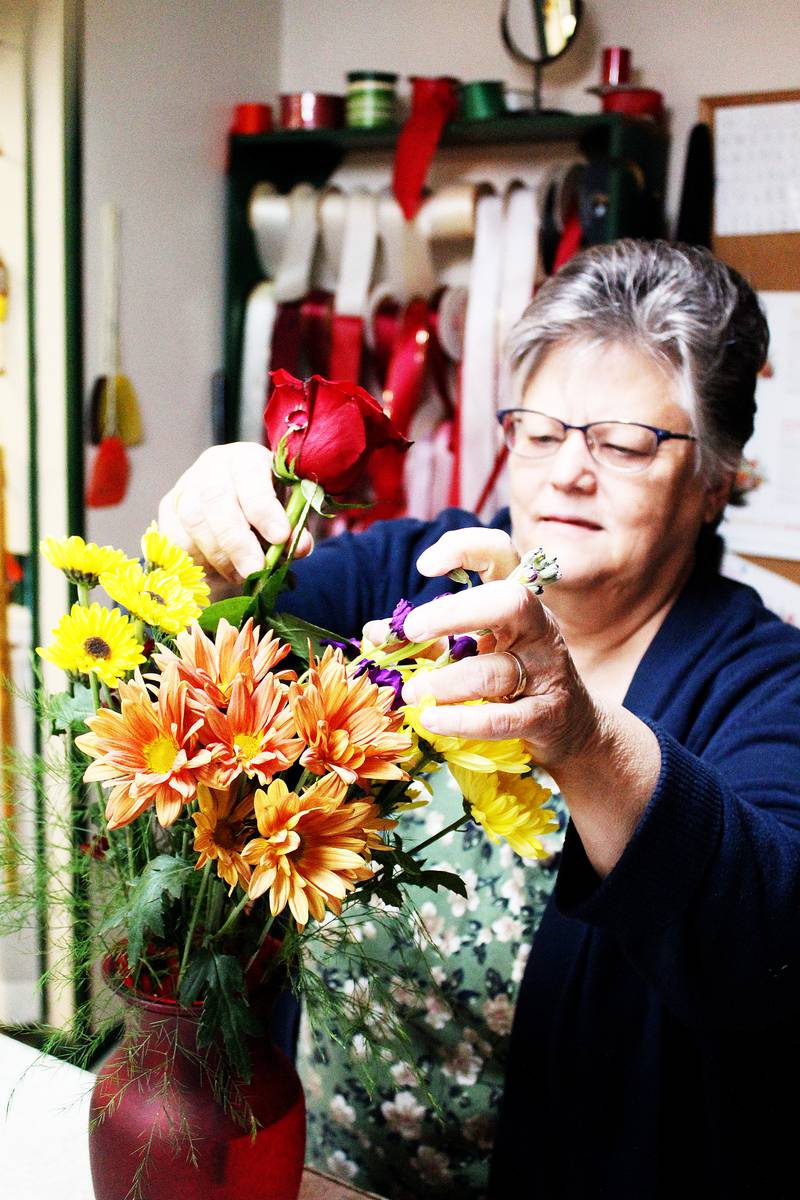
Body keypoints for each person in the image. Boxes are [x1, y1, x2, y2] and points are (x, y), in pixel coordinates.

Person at [158, 240, 800, 1199]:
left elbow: (769, 952)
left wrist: (580, 738)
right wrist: (207, 553)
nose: (568, 474)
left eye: (623, 442)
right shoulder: (401, 582)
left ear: (716, 476)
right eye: (539, 433)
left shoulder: (763, 682)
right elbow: (185, 684)